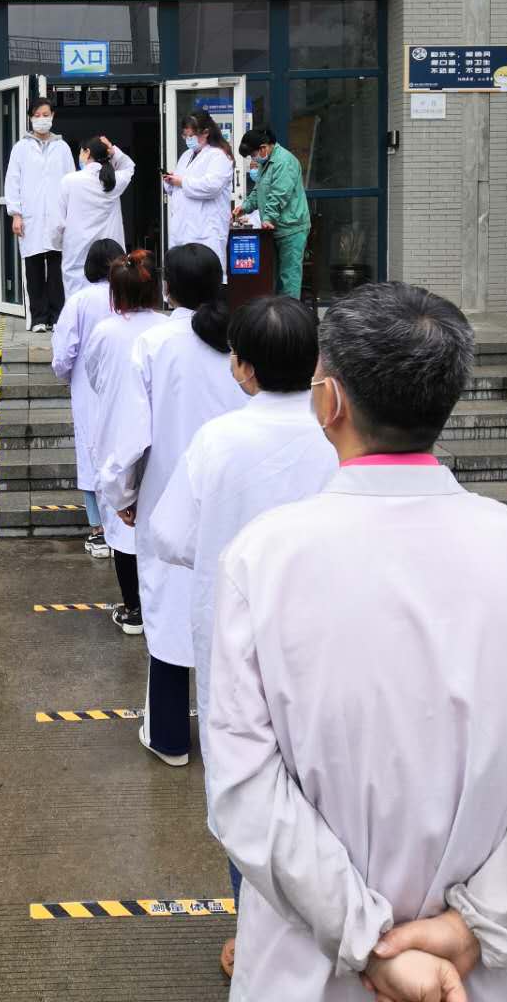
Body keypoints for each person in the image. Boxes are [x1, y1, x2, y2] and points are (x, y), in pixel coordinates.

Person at [205, 282, 507, 1002]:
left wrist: (368, 943)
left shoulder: (262, 562)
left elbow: (246, 788)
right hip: (482, 975)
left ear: (329, 402)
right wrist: (473, 928)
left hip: (309, 972)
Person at [151, 293, 338, 978]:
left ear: (242, 367)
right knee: (322, 787)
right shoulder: (338, 436)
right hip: (325, 644)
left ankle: (257, 935)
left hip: (236, 647)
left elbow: (171, 536)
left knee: (245, 787)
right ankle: (328, 925)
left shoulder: (218, 441)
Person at [96, 244, 245, 768]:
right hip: (234, 491)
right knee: (236, 610)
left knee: (170, 610)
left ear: (168, 289)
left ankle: (169, 736)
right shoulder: (241, 339)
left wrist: (121, 496)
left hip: (167, 495)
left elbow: (130, 435)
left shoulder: (156, 344)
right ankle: (236, 739)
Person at [82, 250, 163, 633]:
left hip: (117, 430)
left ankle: (133, 608)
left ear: (114, 294)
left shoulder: (105, 331)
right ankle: (159, 605)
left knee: (123, 528)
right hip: (162, 436)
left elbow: (93, 375)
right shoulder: (166, 329)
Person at [50, 238, 124, 560]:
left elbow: (64, 353)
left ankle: (99, 531)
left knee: (90, 456)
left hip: (87, 390)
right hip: (125, 389)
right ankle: (124, 526)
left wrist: (67, 376)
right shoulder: (129, 297)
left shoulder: (79, 301)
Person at [4, 97, 75, 333]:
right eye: (37, 115)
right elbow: (12, 182)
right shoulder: (21, 148)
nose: (42, 119)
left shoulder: (62, 148)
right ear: (30, 118)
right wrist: (16, 214)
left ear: (53, 116)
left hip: (58, 216)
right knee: (33, 268)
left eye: (46, 115)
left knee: (57, 269)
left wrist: (71, 214)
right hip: (30, 217)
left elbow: (71, 181)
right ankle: (38, 318)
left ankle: (57, 317)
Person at [52, 135, 135, 298]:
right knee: (111, 298)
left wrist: (58, 244)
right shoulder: (113, 181)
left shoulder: (70, 181)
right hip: (110, 253)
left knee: (77, 301)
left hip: (77, 252)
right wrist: (113, 150)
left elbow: (57, 222)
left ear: (87, 152)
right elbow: (129, 166)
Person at [234, 125, 310, 299]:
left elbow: (279, 195)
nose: (253, 159)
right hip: (275, 229)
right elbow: (258, 192)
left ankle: (290, 314)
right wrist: (244, 207)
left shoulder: (284, 162)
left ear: (263, 148)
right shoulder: (266, 164)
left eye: (253, 154)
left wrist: (268, 217)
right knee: (272, 277)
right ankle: (275, 314)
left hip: (291, 229)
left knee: (289, 278)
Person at [163, 111, 235, 273]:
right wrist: (171, 181)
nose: (187, 139)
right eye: (185, 136)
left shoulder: (219, 156)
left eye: (191, 136)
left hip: (206, 230)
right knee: (182, 275)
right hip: (183, 228)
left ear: (206, 132)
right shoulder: (187, 155)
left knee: (205, 275)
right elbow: (179, 186)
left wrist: (181, 182)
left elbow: (212, 186)